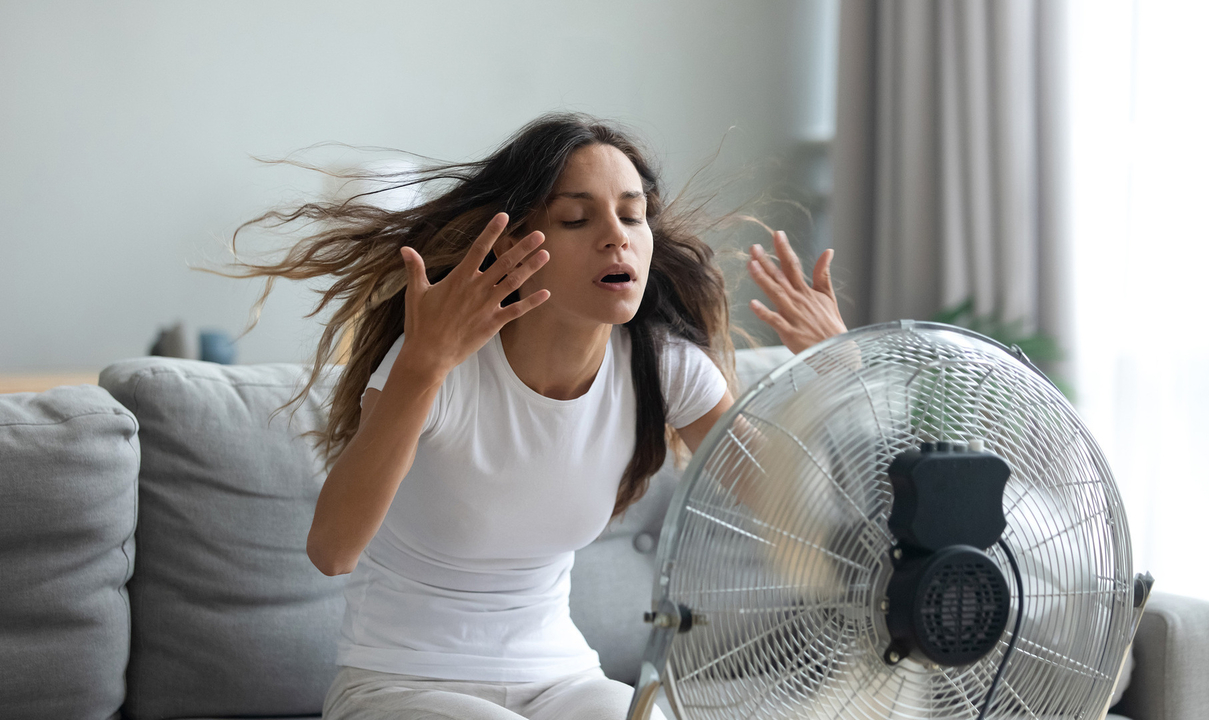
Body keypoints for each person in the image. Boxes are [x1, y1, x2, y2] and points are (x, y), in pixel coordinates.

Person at [230, 113, 847, 720]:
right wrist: (421, 366)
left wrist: (842, 371)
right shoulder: (438, 362)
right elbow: (333, 550)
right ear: (512, 244)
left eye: (633, 215)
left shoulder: (663, 368)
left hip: (561, 679)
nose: (617, 236)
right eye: (577, 218)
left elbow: (798, 518)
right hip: (402, 683)